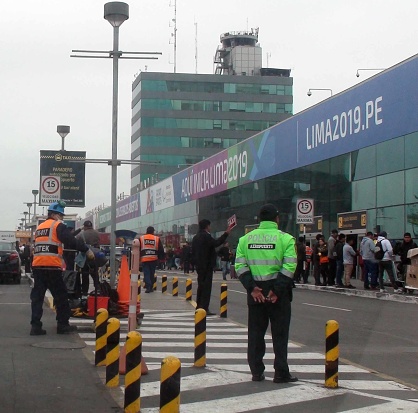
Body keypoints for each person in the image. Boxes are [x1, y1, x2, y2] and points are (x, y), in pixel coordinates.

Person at [235, 203, 298, 384]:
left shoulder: (244, 240)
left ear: (259, 220)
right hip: (278, 294)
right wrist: (277, 291)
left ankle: (256, 371)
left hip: (256, 293)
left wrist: (252, 288)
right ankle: (281, 373)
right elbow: (289, 267)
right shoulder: (286, 239)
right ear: (277, 219)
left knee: (255, 333)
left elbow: (239, 266)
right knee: (280, 334)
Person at [30, 201, 92, 335]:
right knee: (61, 296)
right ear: (54, 214)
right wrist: (86, 249)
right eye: (61, 215)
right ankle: (62, 325)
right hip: (52, 267)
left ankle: (35, 326)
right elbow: (71, 241)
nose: (62, 218)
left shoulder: (40, 228)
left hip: (38, 266)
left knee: (37, 297)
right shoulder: (57, 225)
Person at [192, 219, 233, 315]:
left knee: (201, 286)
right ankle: (204, 308)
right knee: (206, 287)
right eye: (209, 226)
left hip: (199, 265)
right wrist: (226, 234)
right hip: (207, 265)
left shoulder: (196, 237)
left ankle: (199, 306)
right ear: (207, 226)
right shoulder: (206, 236)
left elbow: (193, 251)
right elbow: (216, 243)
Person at [76, 220, 100, 298]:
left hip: (85, 256)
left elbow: (78, 243)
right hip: (95, 256)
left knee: (85, 274)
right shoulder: (97, 233)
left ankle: (85, 293)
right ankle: (98, 289)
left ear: (85, 226)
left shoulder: (81, 234)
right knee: (95, 274)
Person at [139, 226, 164, 293]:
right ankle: (151, 286)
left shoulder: (142, 238)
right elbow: (161, 249)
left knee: (146, 273)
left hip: (145, 259)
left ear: (146, 231)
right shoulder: (156, 238)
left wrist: (139, 257)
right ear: (153, 232)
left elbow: (138, 248)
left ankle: (148, 287)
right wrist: (160, 258)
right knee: (152, 273)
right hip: (153, 259)